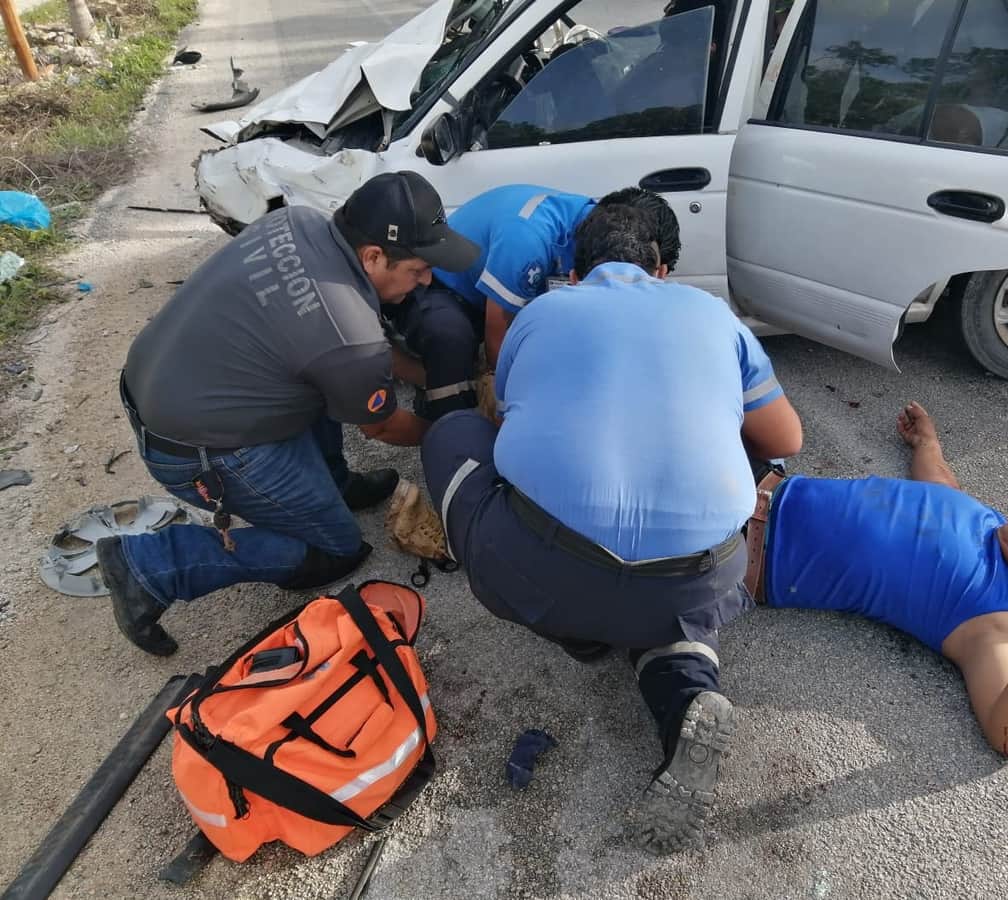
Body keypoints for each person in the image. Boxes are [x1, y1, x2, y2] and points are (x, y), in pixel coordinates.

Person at [419, 202, 803, 853]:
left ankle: (577, 628)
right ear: (662, 268)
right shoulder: (714, 316)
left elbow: (514, 420)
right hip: (696, 579)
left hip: (546, 572)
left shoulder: (543, 313)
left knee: (456, 432)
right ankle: (686, 690)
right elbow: (786, 438)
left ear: (573, 270)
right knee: (726, 487)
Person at [97, 172, 480, 657]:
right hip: (195, 449)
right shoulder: (348, 337)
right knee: (338, 550)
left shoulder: (298, 221)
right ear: (374, 257)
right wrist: (451, 431)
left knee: (317, 380)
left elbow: (355, 358)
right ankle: (148, 567)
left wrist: (434, 378)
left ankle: (331, 484)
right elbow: (380, 420)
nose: (427, 281)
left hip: (161, 381)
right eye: (419, 270)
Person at [747, 402, 1008, 756]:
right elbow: (941, 484)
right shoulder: (986, 519)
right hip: (759, 479)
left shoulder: (993, 621)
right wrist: (927, 443)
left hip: (737, 550)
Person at [381, 184, 681, 422]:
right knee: (453, 339)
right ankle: (445, 413)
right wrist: (506, 404)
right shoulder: (529, 238)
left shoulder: (598, 235)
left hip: (493, 290)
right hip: (439, 284)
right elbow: (497, 330)